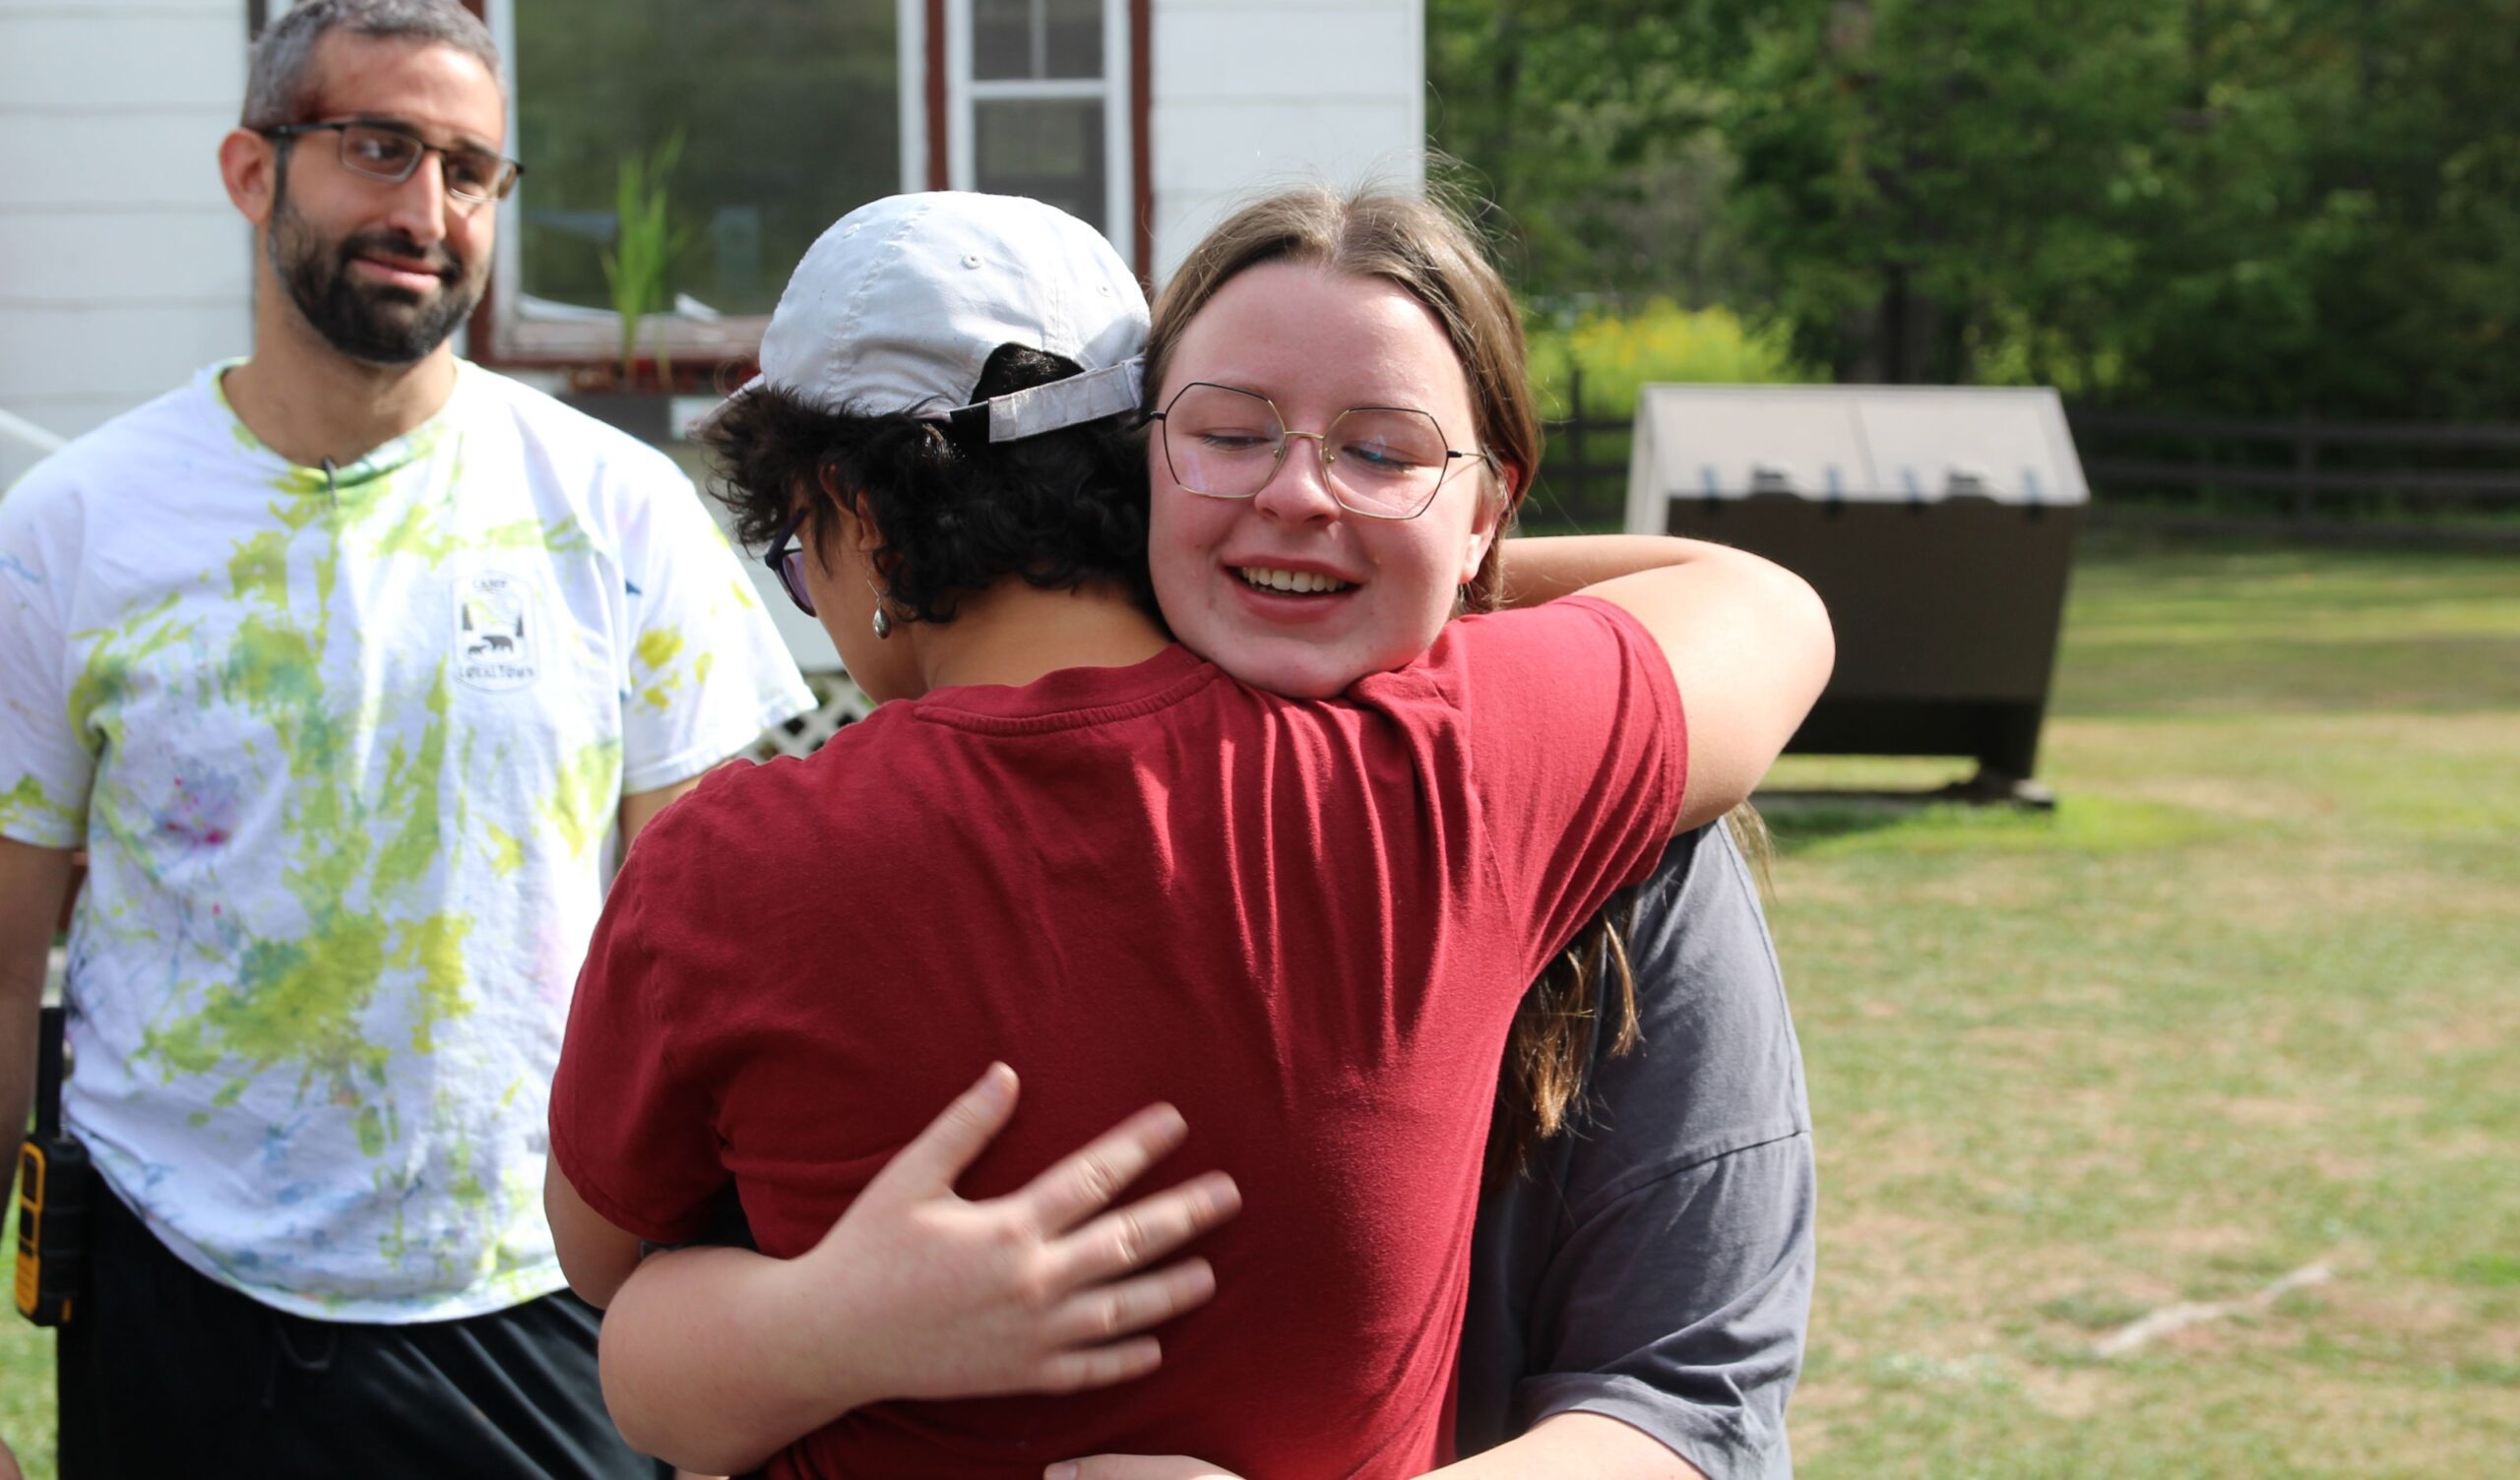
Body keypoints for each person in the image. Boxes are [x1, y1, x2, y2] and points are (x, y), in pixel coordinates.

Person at [544, 188, 1831, 1479]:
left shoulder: (728, 865)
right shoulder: (1456, 755)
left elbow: (600, 1257)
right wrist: (1424, 571)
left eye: (795, 552)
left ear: (855, 512)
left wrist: (834, 1319)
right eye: (1232, 438)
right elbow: (1758, 607)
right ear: (1132, 460)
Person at [0, 0, 814, 1479]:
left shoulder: (617, 513)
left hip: (540, 1283)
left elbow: (710, 967)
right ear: (254, 171)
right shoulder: (70, 532)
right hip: (175, 1294)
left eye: (469, 170)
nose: (426, 206)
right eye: (377, 147)